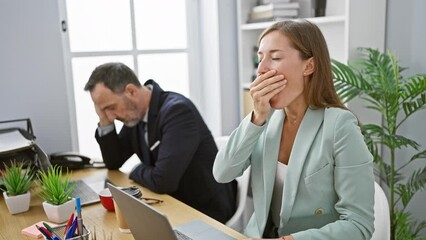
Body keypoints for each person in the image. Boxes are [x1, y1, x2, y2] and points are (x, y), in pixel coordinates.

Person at [213, 20, 375, 239]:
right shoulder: (264, 120)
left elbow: (359, 225)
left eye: (276, 58)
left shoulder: (340, 126)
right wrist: (256, 118)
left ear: (309, 66)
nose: (261, 70)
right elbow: (222, 173)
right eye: (260, 59)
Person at [84, 62, 237, 223]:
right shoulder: (134, 114)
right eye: (103, 110)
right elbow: (114, 161)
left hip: (203, 210)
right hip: (168, 204)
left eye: (111, 107)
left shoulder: (178, 112)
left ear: (130, 91)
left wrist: (136, 169)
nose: (112, 116)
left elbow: (163, 182)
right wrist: (104, 121)